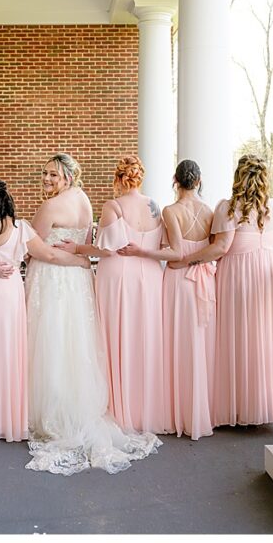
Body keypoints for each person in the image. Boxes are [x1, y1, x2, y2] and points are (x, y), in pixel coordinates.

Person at [25, 153, 160, 474]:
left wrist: (74, 260)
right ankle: (77, 407)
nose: (46, 180)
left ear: (68, 178)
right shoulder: (85, 201)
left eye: (53, 175)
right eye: (44, 174)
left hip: (54, 279)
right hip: (80, 283)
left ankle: (53, 413)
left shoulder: (50, 207)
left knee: (52, 342)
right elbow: (88, 244)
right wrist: (82, 262)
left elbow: (32, 247)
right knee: (75, 344)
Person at [0, 178, 85, 443]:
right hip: (5, 293)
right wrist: (80, 260)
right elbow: (51, 255)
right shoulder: (20, 229)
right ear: (6, 198)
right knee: (3, 353)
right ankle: (1, 419)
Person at [179, 155, 273, 427]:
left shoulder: (229, 208)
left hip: (238, 277)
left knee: (234, 337)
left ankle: (236, 407)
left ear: (238, 176)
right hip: (268, 275)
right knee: (263, 338)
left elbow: (220, 248)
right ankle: (261, 406)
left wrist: (188, 260)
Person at [124, 159, 216, 439]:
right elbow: (210, 248)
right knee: (201, 345)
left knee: (177, 345)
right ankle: (200, 412)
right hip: (206, 280)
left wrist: (143, 252)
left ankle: (180, 414)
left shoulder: (171, 210)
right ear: (198, 181)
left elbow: (175, 253)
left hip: (179, 281)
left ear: (175, 181)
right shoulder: (210, 211)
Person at [92, 156, 172, 434]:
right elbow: (162, 243)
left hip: (118, 277)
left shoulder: (112, 206)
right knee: (145, 337)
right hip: (150, 276)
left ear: (118, 178)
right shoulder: (155, 207)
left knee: (116, 336)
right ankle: (145, 408)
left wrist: (77, 249)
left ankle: (118, 406)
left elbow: (104, 249)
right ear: (139, 178)